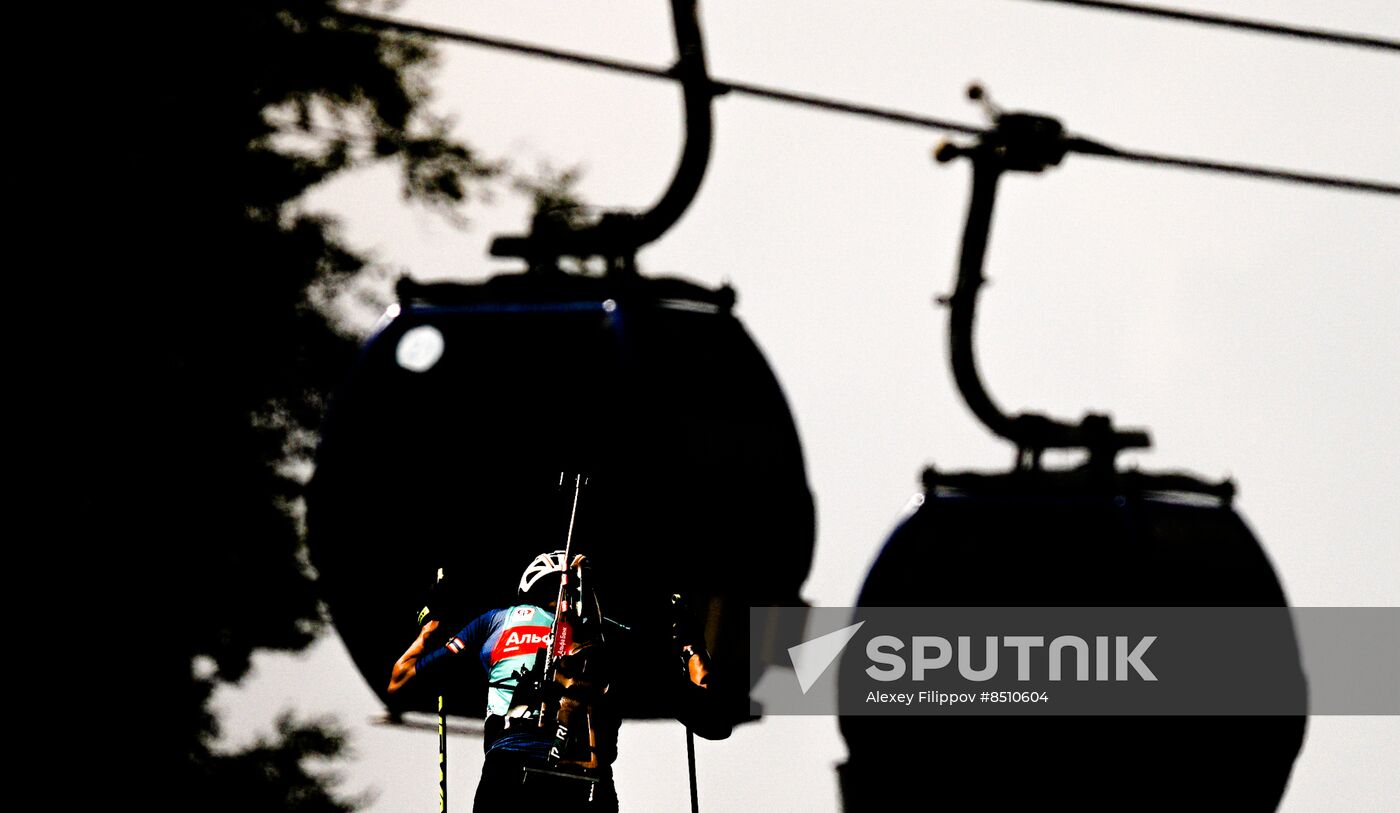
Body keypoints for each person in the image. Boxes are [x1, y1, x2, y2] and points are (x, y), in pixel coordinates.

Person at [388, 551, 727, 812]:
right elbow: (711, 719)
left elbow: (400, 682)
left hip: (509, 773)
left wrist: (432, 624)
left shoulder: (496, 622)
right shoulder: (614, 638)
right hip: (586, 784)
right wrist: (691, 646)